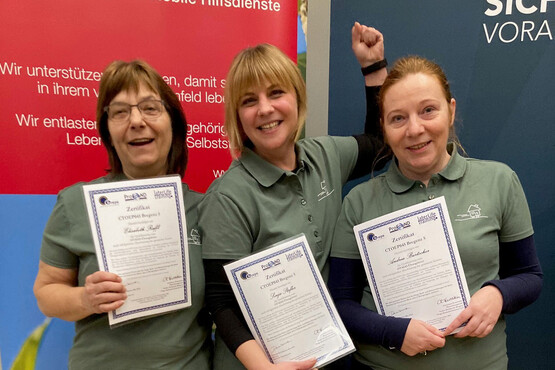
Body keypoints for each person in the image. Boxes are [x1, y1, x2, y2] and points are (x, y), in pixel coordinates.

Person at [329, 55, 543, 369]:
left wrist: (498, 294)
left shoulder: (500, 181)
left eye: (428, 110)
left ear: (451, 111)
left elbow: (529, 277)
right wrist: (395, 332)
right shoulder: (359, 202)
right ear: (384, 128)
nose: (415, 129)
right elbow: (341, 304)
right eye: (398, 118)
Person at [198, 23, 389, 369]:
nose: (266, 109)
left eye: (276, 93)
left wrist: (373, 67)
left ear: (297, 98)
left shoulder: (325, 155)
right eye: (249, 101)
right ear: (238, 118)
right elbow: (220, 300)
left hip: (325, 352)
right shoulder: (227, 198)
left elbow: (381, 145)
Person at [33, 60, 212, 369]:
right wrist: (85, 300)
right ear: (108, 132)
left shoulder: (208, 209)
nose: (136, 121)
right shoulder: (76, 203)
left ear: (174, 123)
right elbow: (46, 293)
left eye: (150, 108)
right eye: (120, 112)